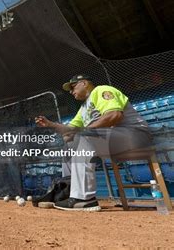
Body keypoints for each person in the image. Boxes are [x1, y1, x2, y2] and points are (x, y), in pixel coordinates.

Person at [35, 74, 152, 211]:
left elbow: (114, 115)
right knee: (68, 147)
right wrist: (51, 124)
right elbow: (70, 130)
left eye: (73, 87)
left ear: (84, 83)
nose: (71, 92)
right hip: (113, 140)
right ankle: (68, 192)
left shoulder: (101, 90)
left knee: (83, 136)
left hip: (135, 134)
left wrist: (81, 132)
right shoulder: (84, 108)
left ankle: (85, 199)